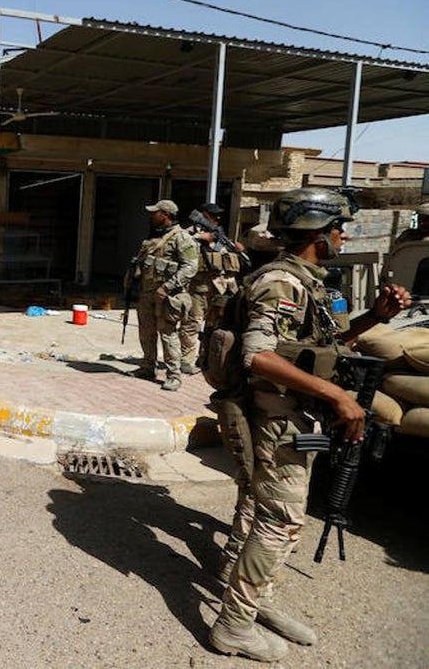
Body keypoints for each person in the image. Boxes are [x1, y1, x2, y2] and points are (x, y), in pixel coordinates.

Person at [208, 187, 411, 662]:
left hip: (285, 411)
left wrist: (371, 319)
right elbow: (256, 354)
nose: (344, 235)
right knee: (280, 520)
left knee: (258, 507)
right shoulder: (282, 283)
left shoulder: (305, 280)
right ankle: (234, 625)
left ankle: (253, 597)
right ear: (318, 232)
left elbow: (311, 348)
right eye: (339, 227)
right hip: (274, 415)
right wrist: (337, 395)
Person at [127, 199, 198, 392]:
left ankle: (173, 375)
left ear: (165, 215)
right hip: (147, 293)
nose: (151, 216)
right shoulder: (153, 238)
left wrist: (166, 288)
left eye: (155, 213)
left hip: (168, 296)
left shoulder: (181, 237)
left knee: (168, 335)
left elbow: (190, 267)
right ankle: (148, 367)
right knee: (146, 332)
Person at [184, 202, 247, 371]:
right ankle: (186, 361)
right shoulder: (190, 232)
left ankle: (205, 358)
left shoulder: (220, 234)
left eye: (219, 214)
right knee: (192, 322)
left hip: (222, 287)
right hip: (201, 285)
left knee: (215, 325)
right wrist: (199, 238)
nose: (218, 217)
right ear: (203, 214)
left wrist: (236, 249)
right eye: (213, 214)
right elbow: (180, 242)